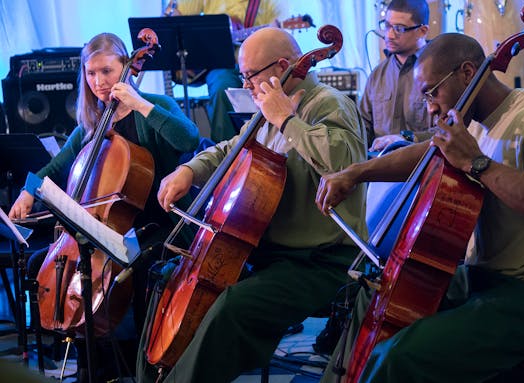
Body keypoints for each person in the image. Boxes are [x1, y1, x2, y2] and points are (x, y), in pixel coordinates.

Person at [316, 33, 524, 383]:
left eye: (432, 91)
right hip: (487, 281)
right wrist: (355, 173)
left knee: (402, 355)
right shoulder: (471, 119)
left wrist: (477, 163)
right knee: (376, 297)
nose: (430, 106)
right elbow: (429, 152)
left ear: (467, 72)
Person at [136, 27, 367, 383]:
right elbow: (232, 147)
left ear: (282, 66)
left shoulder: (329, 102)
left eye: (249, 76)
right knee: (165, 274)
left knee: (233, 307)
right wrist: (188, 169)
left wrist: (287, 120)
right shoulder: (267, 110)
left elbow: (343, 164)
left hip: (321, 261)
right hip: (270, 253)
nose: (245, 85)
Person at [8, 32, 200, 382]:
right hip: (109, 229)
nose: (99, 82)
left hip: (159, 225)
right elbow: (54, 168)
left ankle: (136, 363)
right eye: (91, 73)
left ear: (128, 67)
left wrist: (141, 104)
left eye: (107, 71)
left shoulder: (153, 106)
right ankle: (92, 364)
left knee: (130, 271)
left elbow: (188, 139)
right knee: (43, 262)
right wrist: (28, 191)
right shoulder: (93, 124)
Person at [166, 0, 282, 143]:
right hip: (219, 65)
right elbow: (177, 19)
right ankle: (225, 154)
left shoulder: (269, 3)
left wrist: (274, 32)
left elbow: (278, 42)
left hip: (257, 65)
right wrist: (191, 52)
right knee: (222, 86)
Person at [364, 0, 432, 152]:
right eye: (387, 25)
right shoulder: (377, 74)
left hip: (423, 166)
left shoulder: (441, 71)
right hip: (379, 166)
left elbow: (448, 132)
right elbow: (363, 127)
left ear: (422, 31)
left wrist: (407, 138)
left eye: (399, 29)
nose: (389, 35)